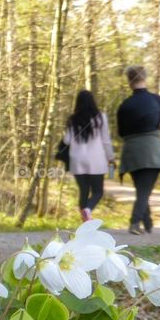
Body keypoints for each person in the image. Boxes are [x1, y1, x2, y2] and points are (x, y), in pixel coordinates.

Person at [116, 66, 160, 235]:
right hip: (151, 150)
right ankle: (134, 223)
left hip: (131, 151)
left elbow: (121, 132)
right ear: (145, 78)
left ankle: (148, 223)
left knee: (142, 188)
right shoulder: (157, 100)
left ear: (129, 81)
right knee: (144, 190)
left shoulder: (124, 105)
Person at [62, 90, 115, 222]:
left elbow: (66, 140)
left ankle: (84, 221)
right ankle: (88, 210)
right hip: (95, 159)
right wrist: (111, 158)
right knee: (98, 191)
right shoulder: (101, 118)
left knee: (84, 190)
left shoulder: (72, 120)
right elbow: (106, 141)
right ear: (93, 101)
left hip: (77, 159)